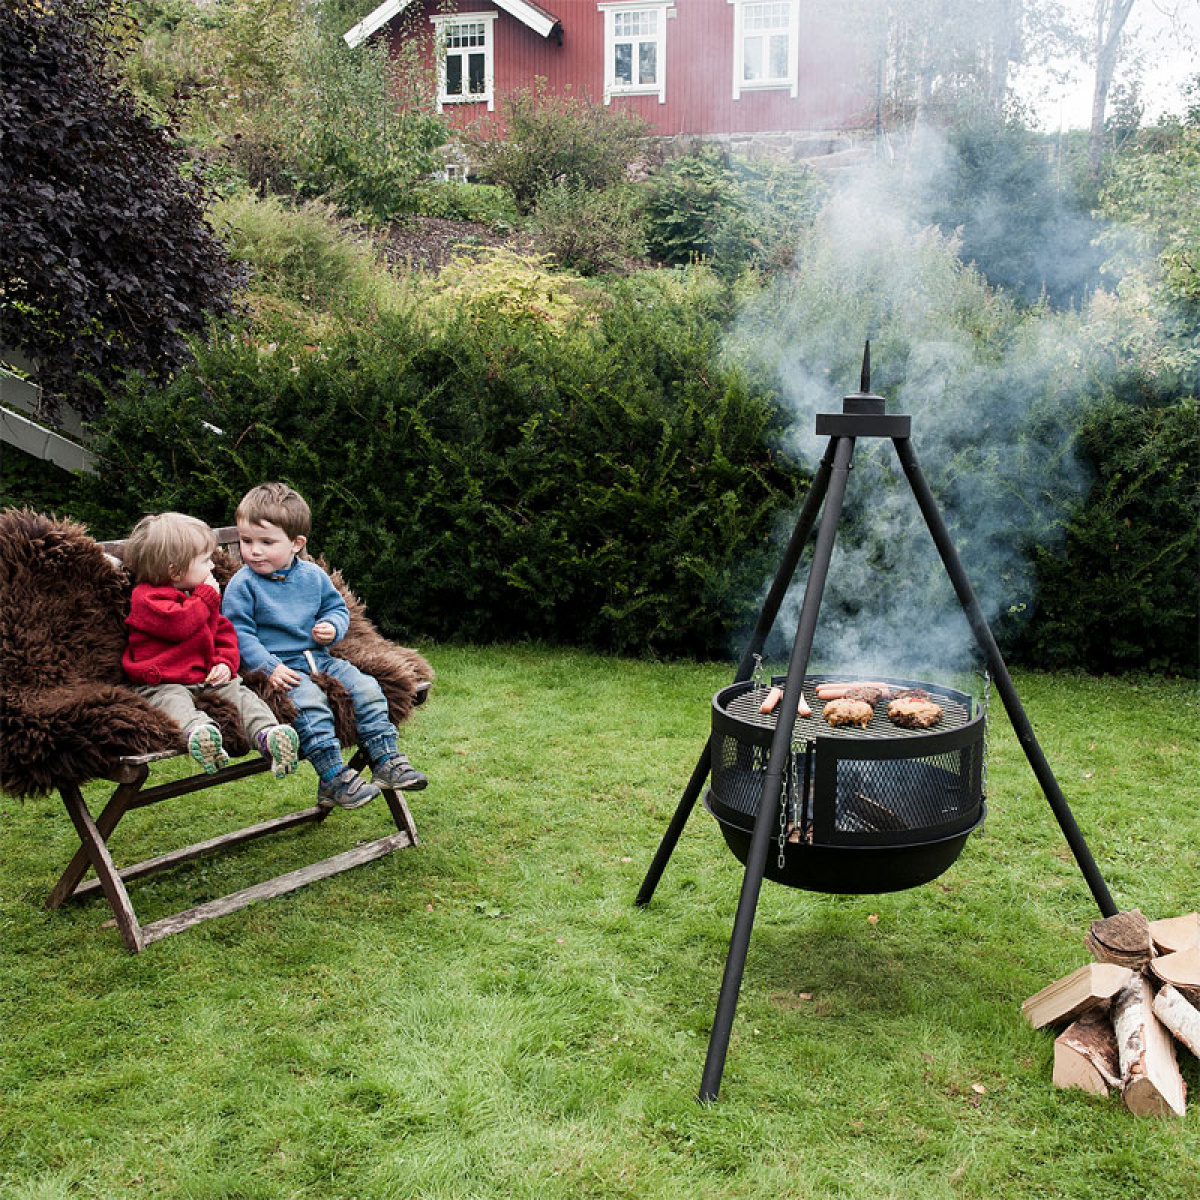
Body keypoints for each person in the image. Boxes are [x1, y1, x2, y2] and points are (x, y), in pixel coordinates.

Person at [223, 482, 427, 810]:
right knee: (309, 702)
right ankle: (332, 775)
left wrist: (332, 627)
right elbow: (238, 634)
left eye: (266, 542)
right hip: (282, 667)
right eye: (247, 541)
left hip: (322, 658)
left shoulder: (312, 576)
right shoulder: (242, 585)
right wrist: (270, 667)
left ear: (296, 544)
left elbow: (336, 608)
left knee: (368, 688)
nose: (254, 551)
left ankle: (386, 759)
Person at [120, 512, 300, 779]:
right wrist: (206, 599)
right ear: (175, 570)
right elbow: (178, 624)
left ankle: (268, 734)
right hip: (161, 680)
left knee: (240, 694)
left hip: (204, 676)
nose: (212, 568)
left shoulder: (195, 596)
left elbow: (223, 633)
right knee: (173, 702)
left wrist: (225, 663)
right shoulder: (146, 598)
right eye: (205, 560)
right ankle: (200, 734)